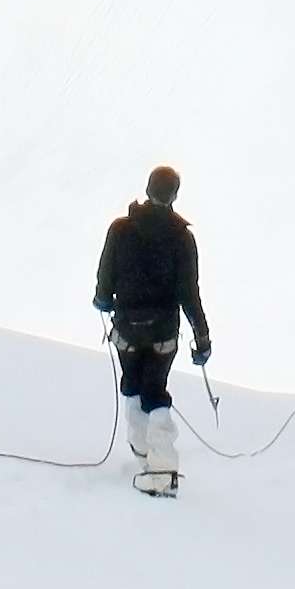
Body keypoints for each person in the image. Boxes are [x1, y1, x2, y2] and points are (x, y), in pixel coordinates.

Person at [93, 163, 215, 499]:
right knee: (156, 390)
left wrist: (103, 301)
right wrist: (201, 336)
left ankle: (143, 451)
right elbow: (189, 292)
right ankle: (162, 470)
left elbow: (105, 279)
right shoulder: (182, 238)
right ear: (174, 194)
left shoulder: (120, 229)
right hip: (164, 332)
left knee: (132, 385)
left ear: (147, 190)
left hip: (127, 329)